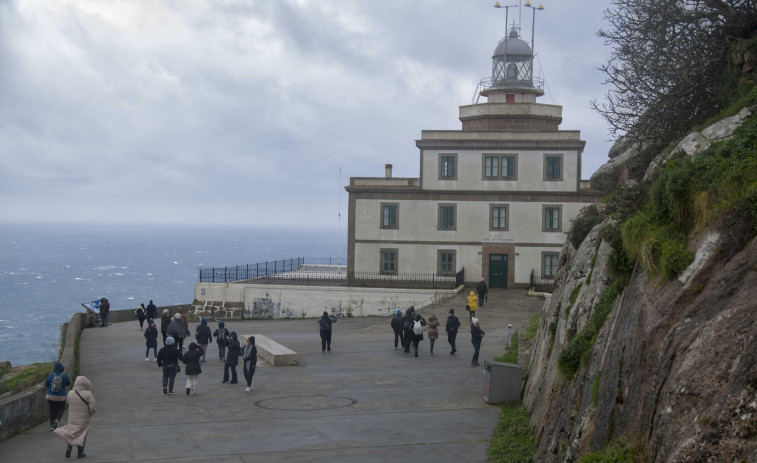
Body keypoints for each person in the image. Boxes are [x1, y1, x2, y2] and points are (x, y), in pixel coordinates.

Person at [53, 375, 96, 459]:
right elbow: (92, 407)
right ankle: (80, 453)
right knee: (82, 434)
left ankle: (69, 447)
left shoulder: (70, 393)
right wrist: (90, 413)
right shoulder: (88, 394)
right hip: (84, 419)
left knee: (72, 432)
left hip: (72, 418)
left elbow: (68, 402)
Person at [45, 362, 71, 431]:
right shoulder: (64, 376)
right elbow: (68, 383)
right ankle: (57, 421)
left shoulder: (50, 375)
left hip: (50, 396)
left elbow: (46, 384)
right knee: (61, 409)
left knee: (52, 409)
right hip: (61, 397)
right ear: (61, 369)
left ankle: (52, 426)